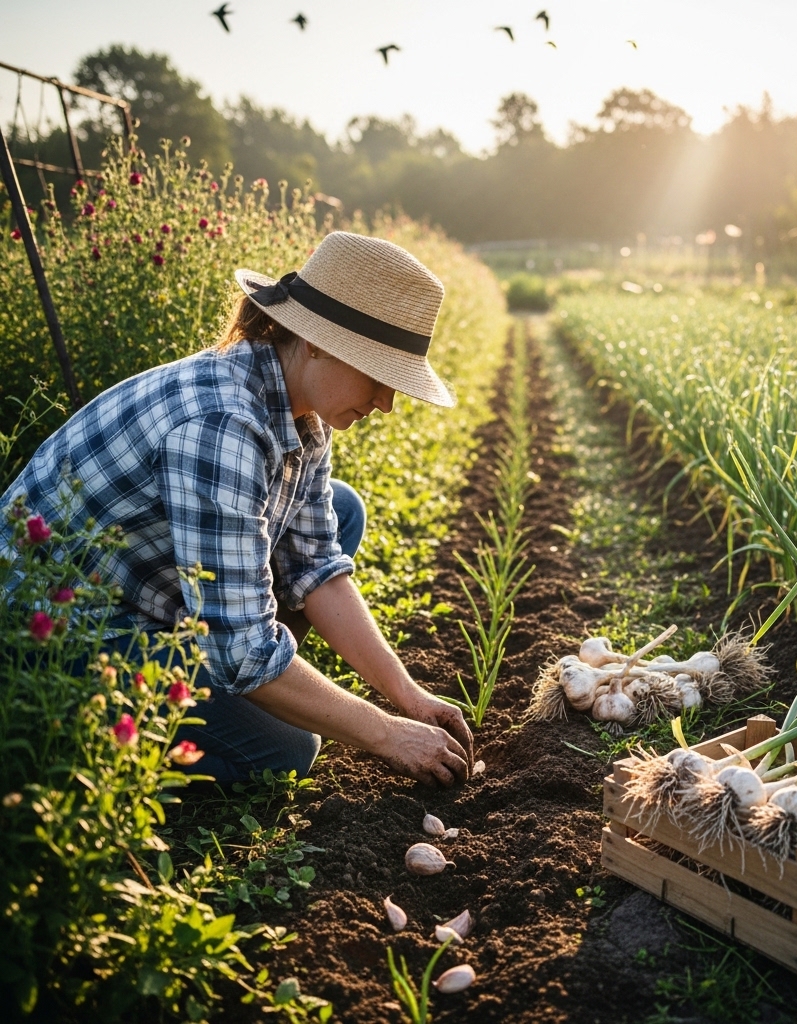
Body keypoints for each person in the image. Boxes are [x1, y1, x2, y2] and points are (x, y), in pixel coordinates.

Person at [0, 231, 473, 786]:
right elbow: (244, 653)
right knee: (287, 750)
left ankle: (249, 678)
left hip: (140, 590)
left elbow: (316, 567)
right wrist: (386, 733)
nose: (386, 403)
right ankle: (65, 740)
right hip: (55, 631)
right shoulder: (221, 426)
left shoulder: (303, 410)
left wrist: (408, 697)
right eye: (378, 376)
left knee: (342, 511)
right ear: (317, 342)